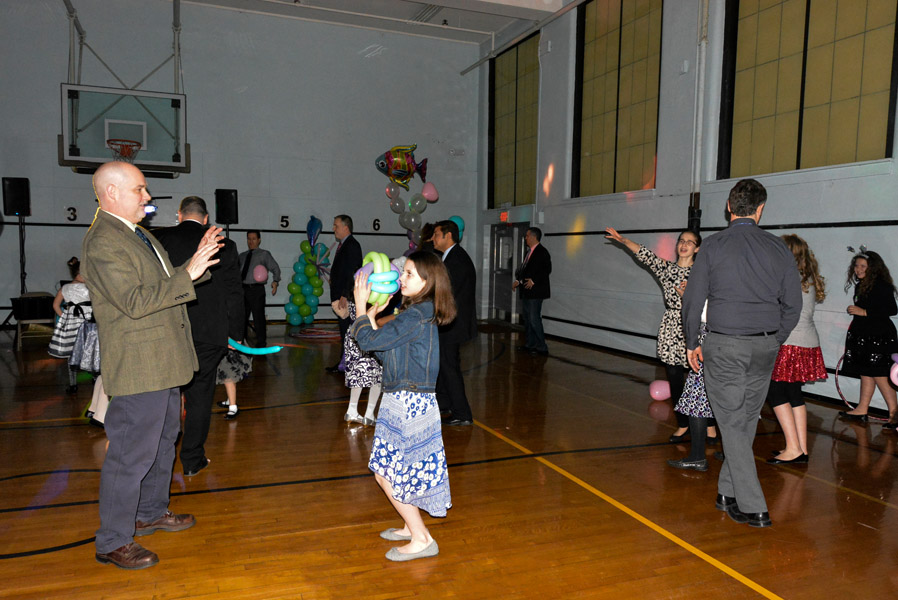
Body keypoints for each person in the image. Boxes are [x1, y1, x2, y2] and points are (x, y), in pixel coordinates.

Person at [82, 161, 222, 569]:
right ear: (111, 192)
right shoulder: (103, 241)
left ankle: (150, 512)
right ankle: (113, 540)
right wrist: (188, 273)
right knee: (130, 454)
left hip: (164, 361)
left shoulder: (138, 233)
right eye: (139, 189)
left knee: (162, 441)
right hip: (140, 365)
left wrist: (196, 264)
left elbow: (160, 284)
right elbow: (135, 301)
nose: (147, 196)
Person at [682, 178, 802, 529]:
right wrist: (775, 338)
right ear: (760, 210)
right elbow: (793, 305)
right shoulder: (778, 248)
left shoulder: (714, 246)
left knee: (735, 423)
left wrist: (692, 342)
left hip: (725, 345)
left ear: (729, 207)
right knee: (745, 421)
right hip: (764, 346)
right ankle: (726, 492)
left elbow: (693, 301)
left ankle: (753, 506)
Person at [350, 250, 455, 561]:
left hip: (409, 403)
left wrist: (360, 307)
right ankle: (411, 526)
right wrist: (371, 316)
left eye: (409, 273)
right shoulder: (417, 313)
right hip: (405, 399)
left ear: (427, 281)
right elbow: (383, 352)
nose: (401, 278)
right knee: (397, 471)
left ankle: (422, 538)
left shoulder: (415, 316)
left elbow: (368, 342)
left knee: (387, 473)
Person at [155, 196, 245, 476]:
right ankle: (192, 460)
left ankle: (161, 458)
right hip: (209, 332)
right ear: (206, 219)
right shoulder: (224, 244)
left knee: (166, 396)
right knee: (200, 397)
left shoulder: (159, 239)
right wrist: (236, 333)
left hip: (168, 330)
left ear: (179, 215)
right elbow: (234, 292)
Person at [605, 226, 717, 443]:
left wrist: (688, 298)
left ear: (697, 249)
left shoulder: (702, 274)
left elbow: (712, 303)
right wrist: (623, 240)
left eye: (689, 242)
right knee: (674, 379)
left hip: (694, 326)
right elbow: (645, 255)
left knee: (702, 379)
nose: (684, 245)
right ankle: (683, 424)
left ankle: (710, 426)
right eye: (681, 240)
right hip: (671, 326)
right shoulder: (667, 269)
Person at [766, 235, 828, 464]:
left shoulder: (788, 277)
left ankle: (793, 448)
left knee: (775, 391)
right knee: (793, 393)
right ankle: (800, 448)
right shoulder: (806, 276)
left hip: (790, 342)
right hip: (806, 342)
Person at [837, 250, 898, 429]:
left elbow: (892, 309)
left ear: (874, 268)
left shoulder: (881, 285)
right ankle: (862, 409)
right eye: (856, 265)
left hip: (879, 336)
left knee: (880, 375)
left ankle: (894, 415)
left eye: (863, 266)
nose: (858, 269)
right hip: (864, 335)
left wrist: (864, 312)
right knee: (866, 373)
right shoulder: (861, 285)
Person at [432, 219, 477, 426]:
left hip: (452, 324)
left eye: (436, 234)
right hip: (449, 323)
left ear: (448, 235)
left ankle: (462, 413)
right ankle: (445, 403)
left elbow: (447, 293)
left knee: (449, 367)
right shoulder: (451, 257)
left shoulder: (456, 260)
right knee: (444, 365)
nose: (433, 238)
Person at [49, 257, 92, 393]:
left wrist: (65, 317)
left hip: (71, 325)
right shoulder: (90, 287)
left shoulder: (65, 288)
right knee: (90, 349)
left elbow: (55, 305)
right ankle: (94, 376)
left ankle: (73, 384)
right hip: (88, 322)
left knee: (71, 353)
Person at [326, 214, 363, 373]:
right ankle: (344, 363)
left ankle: (348, 365)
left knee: (348, 332)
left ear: (346, 227)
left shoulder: (352, 245)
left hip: (346, 297)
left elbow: (352, 272)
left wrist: (344, 295)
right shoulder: (344, 245)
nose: (333, 228)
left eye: (336, 225)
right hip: (341, 294)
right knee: (345, 332)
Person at [343, 299, 383, 426]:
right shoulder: (370, 299)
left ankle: (352, 410)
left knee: (358, 374)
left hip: (353, 335)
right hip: (367, 335)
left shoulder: (355, 295)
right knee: (378, 376)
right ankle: (369, 414)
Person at [238, 230, 280, 348]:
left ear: (259, 240)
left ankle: (261, 343)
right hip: (243, 289)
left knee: (258, 317)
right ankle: (241, 340)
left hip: (256, 290)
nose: (251, 241)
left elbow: (275, 268)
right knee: (241, 317)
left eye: (253, 239)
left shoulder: (264, 254)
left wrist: (275, 281)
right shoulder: (242, 256)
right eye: (249, 239)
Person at [513, 227, 552, 355]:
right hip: (527, 292)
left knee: (534, 319)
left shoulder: (542, 252)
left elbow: (546, 269)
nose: (525, 238)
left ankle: (542, 347)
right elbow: (525, 271)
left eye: (527, 236)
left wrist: (533, 280)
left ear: (534, 237)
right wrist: (519, 281)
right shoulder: (528, 252)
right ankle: (530, 344)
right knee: (528, 319)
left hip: (536, 292)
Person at [215, 349, 252, 419]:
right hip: (226, 349)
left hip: (230, 351)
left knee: (228, 377)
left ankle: (233, 407)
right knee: (231, 375)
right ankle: (230, 400)